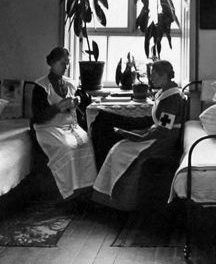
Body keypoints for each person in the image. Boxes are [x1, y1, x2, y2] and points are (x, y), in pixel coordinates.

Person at [91, 60, 184, 211]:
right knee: (119, 147)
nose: (151, 78)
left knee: (120, 152)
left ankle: (120, 200)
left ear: (164, 75)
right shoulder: (165, 93)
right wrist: (139, 133)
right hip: (158, 135)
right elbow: (160, 125)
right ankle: (109, 196)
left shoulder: (172, 99)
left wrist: (141, 136)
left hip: (163, 140)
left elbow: (164, 130)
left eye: (154, 75)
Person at [32, 47, 97, 200]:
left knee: (86, 142)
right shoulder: (41, 86)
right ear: (52, 63)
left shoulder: (70, 84)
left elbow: (81, 104)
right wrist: (58, 107)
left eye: (68, 63)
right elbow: (38, 117)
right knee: (66, 147)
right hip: (48, 127)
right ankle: (68, 192)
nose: (66, 67)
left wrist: (77, 101)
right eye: (63, 63)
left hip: (69, 126)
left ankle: (85, 189)